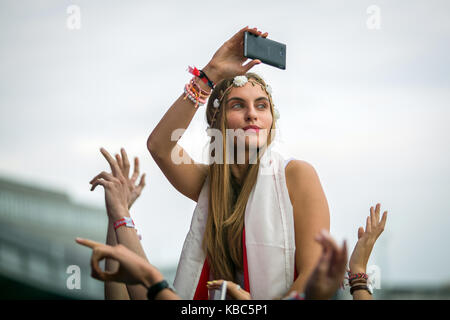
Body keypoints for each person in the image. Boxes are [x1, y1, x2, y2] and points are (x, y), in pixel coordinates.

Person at [147, 26, 330, 300]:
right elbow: (160, 146)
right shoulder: (211, 185)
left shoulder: (297, 175)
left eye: (261, 105)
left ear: (271, 120)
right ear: (217, 121)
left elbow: (313, 275)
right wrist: (209, 75)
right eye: (237, 106)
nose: (252, 115)